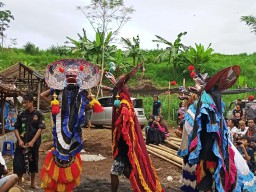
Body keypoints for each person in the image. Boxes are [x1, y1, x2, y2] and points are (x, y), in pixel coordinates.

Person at [13, 94, 46, 189]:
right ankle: (20, 183)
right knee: (19, 163)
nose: (24, 105)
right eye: (23, 103)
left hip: (33, 144)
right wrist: (19, 140)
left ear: (31, 102)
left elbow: (40, 129)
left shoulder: (39, 114)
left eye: (26, 103)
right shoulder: (21, 114)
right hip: (22, 144)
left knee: (33, 162)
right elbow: (16, 128)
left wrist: (32, 141)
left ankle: (32, 183)